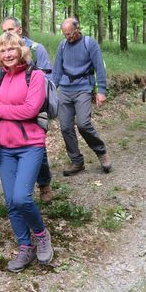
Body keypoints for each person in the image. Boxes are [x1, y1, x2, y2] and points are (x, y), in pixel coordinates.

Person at [0, 33, 54, 272]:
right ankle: (25, 246)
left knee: (22, 197)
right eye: (3, 50)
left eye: (12, 49)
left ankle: (41, 235)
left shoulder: (36, 75)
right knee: (11, 202)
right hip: (7, 149)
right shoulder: (2, 79)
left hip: (30, 145)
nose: (7, 54)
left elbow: (30, 110)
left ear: (21, 50)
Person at [0, 16, 54, 203]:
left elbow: (48, 77)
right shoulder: (3, 53)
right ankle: (20, 188)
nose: (6, 33)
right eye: (3, 30)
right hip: (6, 106)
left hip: (35, 106)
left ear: (19, 29)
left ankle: (44, 184)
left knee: (37, 148)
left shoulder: (36, 49)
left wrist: (35, 99)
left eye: (9, 29)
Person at [51, 18, 111, 176]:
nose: (68, 37)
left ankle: (101, 152)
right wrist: (49, 91)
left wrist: (101, 90)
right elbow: (56, 71)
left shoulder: (90, 43)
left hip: (83, 88)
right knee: (65, 127)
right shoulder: (62, 45)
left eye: (70, 34)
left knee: (83, 123)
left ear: (78, 29)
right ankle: (77, 161)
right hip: (65, 89)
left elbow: (99, 67)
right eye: (65, 35)